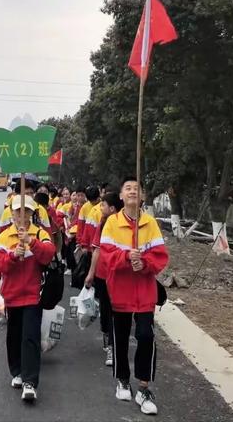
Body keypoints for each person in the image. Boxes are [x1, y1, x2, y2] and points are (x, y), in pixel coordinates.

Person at [99, 176, 169, 416]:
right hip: (119, 291)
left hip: (145, 293)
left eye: (136, 189)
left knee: (146, 336)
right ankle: (122, 379)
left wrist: (145, 264)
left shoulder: (150, 224)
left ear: (143, 197)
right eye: (127, 188)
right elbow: (106, 256)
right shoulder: (111, 224)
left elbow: (160, 256)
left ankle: (144, 387)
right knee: (119, 337)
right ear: (120, 196)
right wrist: (127, 257)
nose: (132, 191)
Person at [0, 195, 55, 401]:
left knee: (30, 337)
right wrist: (12, 257)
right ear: (12, 213)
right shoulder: (4, 236)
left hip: (34, 294)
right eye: (17, 211)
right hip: (12, 295)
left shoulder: (40, 233)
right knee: (14, 336)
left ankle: (30, 382)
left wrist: (30, 242)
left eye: (26, 211)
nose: (21, 215)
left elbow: (48, 254)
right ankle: (16, 372)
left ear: (32, 213)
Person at [84, 192, 123, 367]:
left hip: (120, 276)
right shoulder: (103, 224)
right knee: (106, 310)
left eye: (104, 205)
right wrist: (91, 273)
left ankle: (115, 344)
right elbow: (97, 250)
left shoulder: (125, 225)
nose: (101, 208)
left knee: (119, 311)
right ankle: (109, 344)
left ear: (113, 208)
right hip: (103, 275)